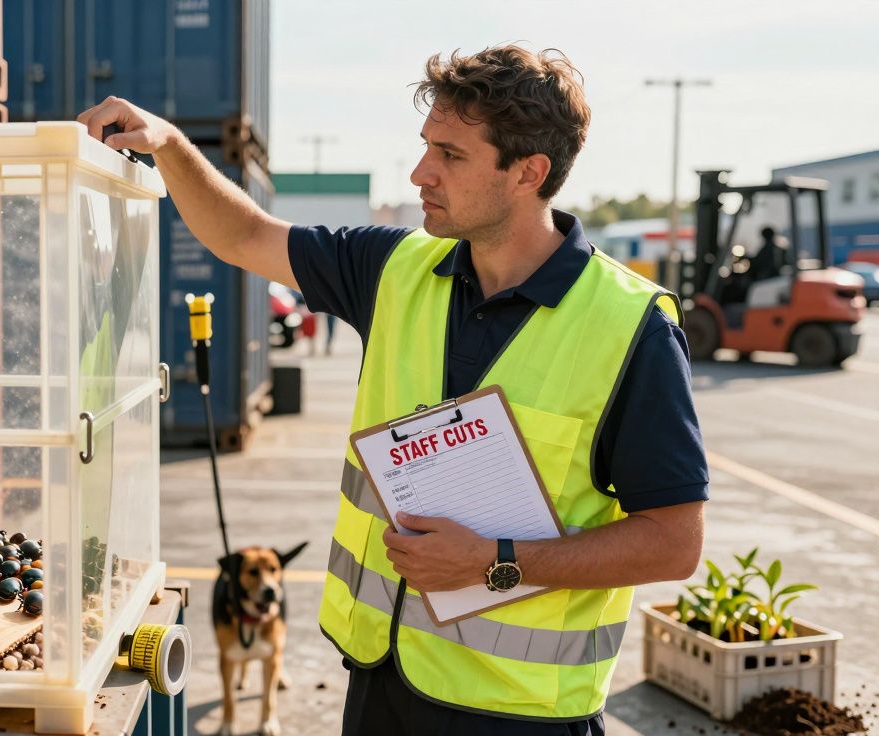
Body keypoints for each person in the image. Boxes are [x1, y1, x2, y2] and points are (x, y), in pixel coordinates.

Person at [77, 44, 707, 736]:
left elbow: (672, 543)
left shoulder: (631, 328)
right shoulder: (397, 266)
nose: (420, 173)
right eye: (425, 146)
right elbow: (245, 235)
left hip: (520, 716)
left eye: (451, 155)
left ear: (529, 172)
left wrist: (497, 564)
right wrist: (168, 144)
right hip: (380, 684)